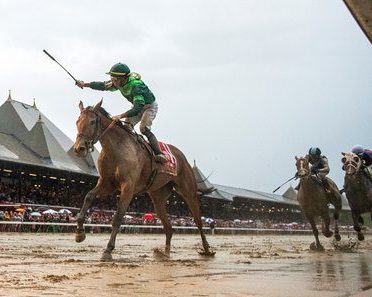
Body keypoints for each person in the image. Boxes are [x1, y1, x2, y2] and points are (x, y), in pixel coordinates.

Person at [76, 63, 167, 163]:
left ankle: (159, 153)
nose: (113, 81)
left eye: (115, 79)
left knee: (143, 128)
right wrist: (84, 84)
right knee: (126, 129)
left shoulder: (136, 86)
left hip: (149, 107)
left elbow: (138, 108)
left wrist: (121, 116)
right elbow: (102, 85)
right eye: (112, 78)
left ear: (123, 78)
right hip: (137, 106)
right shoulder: (119, 82)